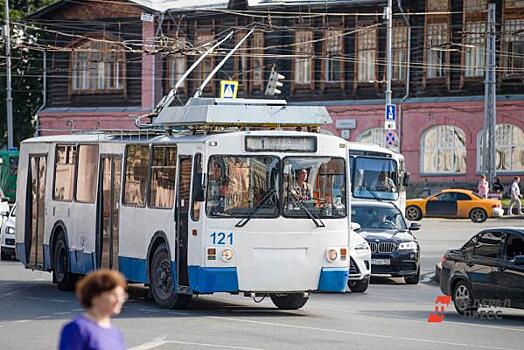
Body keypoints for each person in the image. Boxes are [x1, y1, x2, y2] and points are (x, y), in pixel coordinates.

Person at [59, 269, 127, 350]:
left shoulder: (115, 333)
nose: (119, 300)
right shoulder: (78, 329)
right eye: (114, 295)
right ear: (95, 296)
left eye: (121, 296)